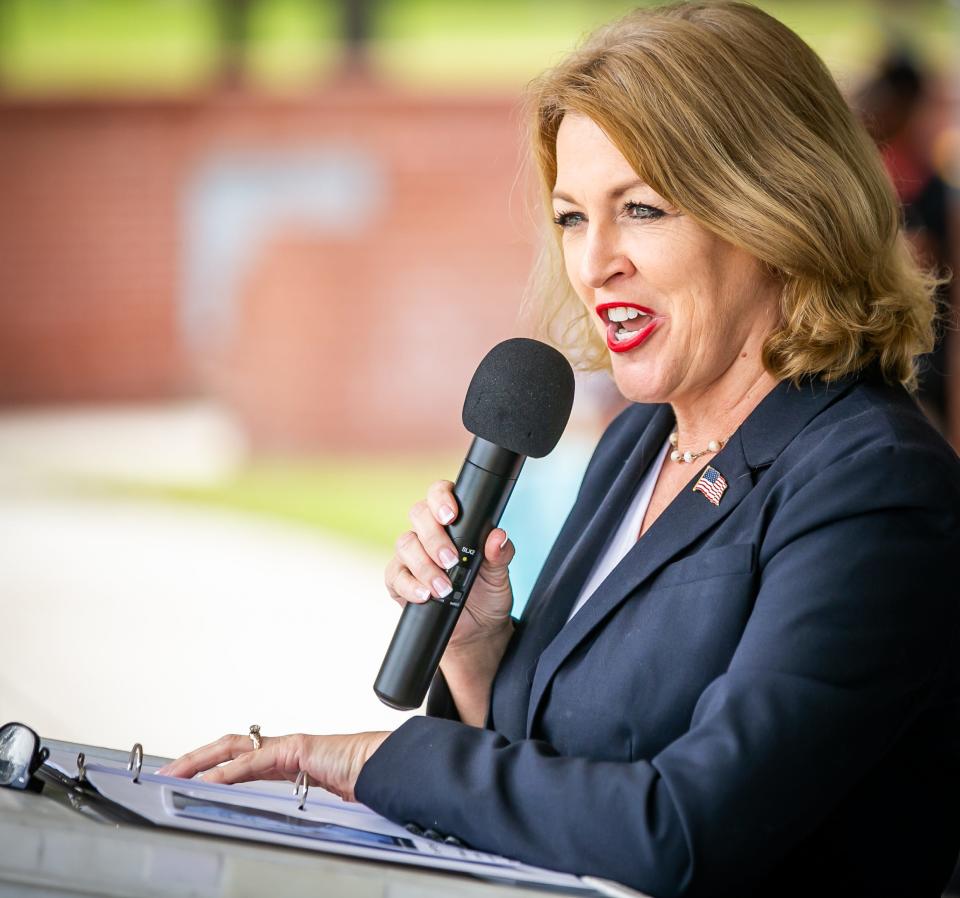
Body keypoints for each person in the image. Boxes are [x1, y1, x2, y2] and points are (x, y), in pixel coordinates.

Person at [158, 3, 960, 895]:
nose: (594, 263)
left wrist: (376, 761)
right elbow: (554, 769)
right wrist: (477, 650)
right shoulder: (638, 444)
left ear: (775, 212)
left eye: (643, 209)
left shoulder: (877, 487)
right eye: (573, 217)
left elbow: (681, 831)